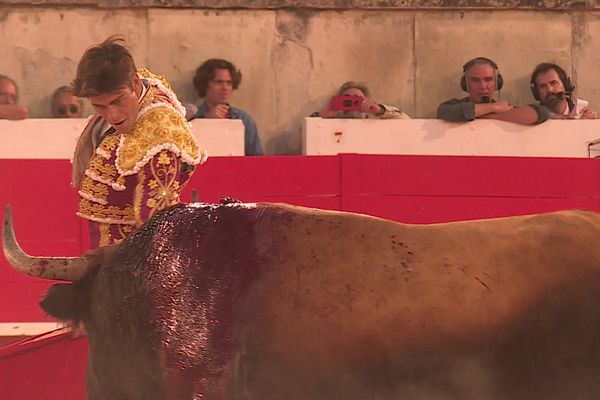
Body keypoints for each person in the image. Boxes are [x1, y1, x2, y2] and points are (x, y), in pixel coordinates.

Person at [71, 36, 207, 248]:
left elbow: (157, 222)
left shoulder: (158, 132)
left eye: (118, 101)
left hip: (127, 254)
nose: (113, 115)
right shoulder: (139, 85)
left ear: (135, 83)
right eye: (100, 106)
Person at [437, 57, 548, 125]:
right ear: (465, 84)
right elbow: (444, 112)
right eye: (475, 80)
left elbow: (540, 113)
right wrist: (493, 108)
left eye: (488, 80)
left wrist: (489, 115)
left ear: (497, 83)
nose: (483, 86)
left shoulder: (505, 109)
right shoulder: (452, 107)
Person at [192, 59, 263, 156]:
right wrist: (206, 122)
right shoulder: (191, 118)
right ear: (205, 84)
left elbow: (257, 160)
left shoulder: (244, 120)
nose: (225, 88)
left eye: (228, 83)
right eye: (219, 82)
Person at [530, 62, 598, 119]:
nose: (550, 90)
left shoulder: (580, 111)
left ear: (564, 84)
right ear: (537, 92)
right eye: (543, 86)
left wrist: (590, 123)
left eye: (554, 83)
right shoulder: (534, 117)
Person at [315, 81, 410, 119]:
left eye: (357, 99)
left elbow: (406, 121)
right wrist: (320, 117)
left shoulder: (376, 122)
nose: (351, 102)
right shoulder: (330, 122)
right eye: (347, 98)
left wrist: (380, 110)